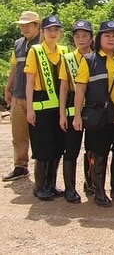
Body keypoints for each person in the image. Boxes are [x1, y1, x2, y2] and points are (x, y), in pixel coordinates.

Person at [73, 20, 114, 207]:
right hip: (99, 119)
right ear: (99, 38)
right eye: (107, 35)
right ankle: (98, 190)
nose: (111, 39)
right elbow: (80, 90)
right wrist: (77, 116)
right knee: (98, 155)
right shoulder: (89, 60)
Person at [24, 16, 67, 201]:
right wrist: (29, 109)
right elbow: (29, 81)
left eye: (56, 29)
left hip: (59, 108)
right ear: (42, 32)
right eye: (49, 30)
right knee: (42, 148)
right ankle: (39, 186)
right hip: (41, 106)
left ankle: (51, 184)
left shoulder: (64, 51)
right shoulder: (35, 51)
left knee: (57, 147)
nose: (53, 33)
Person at [58, 19, 94, 203]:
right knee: (71, 149)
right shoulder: (68, 59)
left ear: (91, 38)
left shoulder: (97, 58)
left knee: (93, 149)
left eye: (84, 35)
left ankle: (90, 183)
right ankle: (70, 188)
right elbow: (64, 88)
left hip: (94, 108)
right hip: (73, 107)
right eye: (77, 36)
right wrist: (62, 114)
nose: (81, 39)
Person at [3, 11, 41, 182]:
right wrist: (8, 88)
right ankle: (20, 166)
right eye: (22, 25)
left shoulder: (43, 42)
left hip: (39, 96)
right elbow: (14, 67)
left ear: (36, 25)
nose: (24, 28)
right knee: (18, 134)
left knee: (40, 134)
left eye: (28, 25)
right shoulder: (18, 44)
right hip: (18, 95)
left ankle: (42, 169)